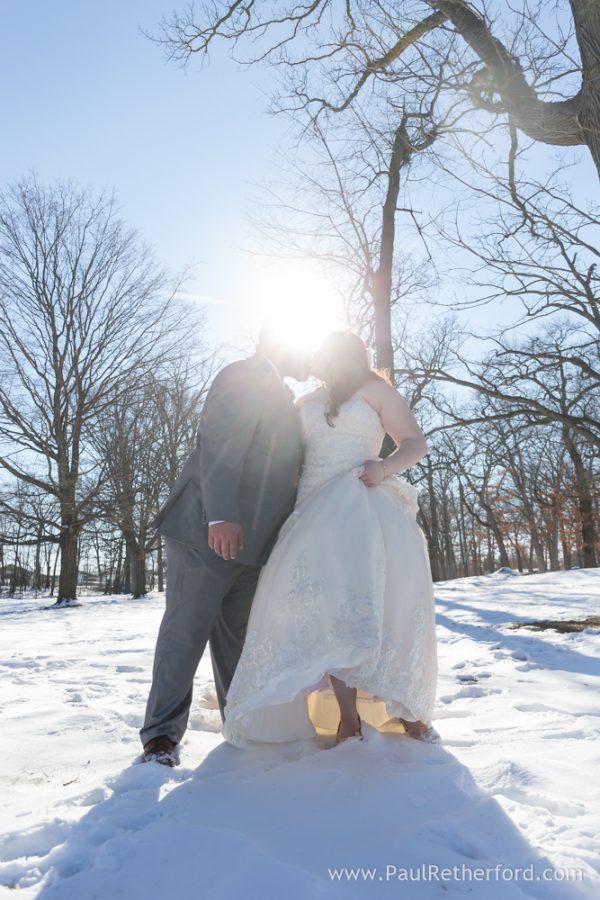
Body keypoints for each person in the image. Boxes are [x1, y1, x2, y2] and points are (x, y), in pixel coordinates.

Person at [222, 330, 439, 748]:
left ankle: (405, 709)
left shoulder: (377, 391)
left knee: (369, 605)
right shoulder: (305, 402)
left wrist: (385, 467)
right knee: (325, 611)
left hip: (361, 501)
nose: (321, 359)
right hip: (311, 510)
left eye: (328, 352)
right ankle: (346, 719)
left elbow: (415, 443)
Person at [139, 326, 308, 766]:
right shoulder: (244, 376)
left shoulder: (285, 395)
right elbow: (219, 445)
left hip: (252, 545)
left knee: (238, 641)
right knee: (185, 633)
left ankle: (239, 722)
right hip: (207, 533)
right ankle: (160, 738)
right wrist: (221, 515)